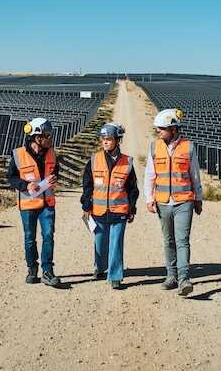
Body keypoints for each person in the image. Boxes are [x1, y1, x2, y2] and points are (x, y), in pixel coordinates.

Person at [144, 108, 203, 296]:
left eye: (162, 128)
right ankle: (171, 276)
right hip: (163, 202)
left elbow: (195, 175)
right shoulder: (154, 147)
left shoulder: (188, 147)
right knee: (168, 241)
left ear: (174, 129)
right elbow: (149, 175)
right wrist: (149, 198)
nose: (158, 131)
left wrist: (198, 198)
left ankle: (184, 279)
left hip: (184, 201)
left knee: (182, 241)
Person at [80, 122, 138, 290]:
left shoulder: (127, 162)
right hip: (98, 211)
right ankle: (100, 267)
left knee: (116, 243)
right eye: (103, 138)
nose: (105, 141)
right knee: (100, 243)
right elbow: (87, 185)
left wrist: (132, 208)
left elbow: (133, 188)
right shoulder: (94, 160)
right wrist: (86, 204)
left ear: (118, 140)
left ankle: (115, 276)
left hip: (119, 211)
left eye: (109, 139)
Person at [7, 117, 61, 287]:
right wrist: (26, 185)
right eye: (47, 135)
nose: (50, 138)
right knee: (30, 238)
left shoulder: (52, 153)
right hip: (28, 204)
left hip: (47, 203)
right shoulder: (18, 155)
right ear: (37, 137)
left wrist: (54, 178)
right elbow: (11, 177)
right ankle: (32, 268)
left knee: (48, 235)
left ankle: (47, 271)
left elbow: (55, 171)